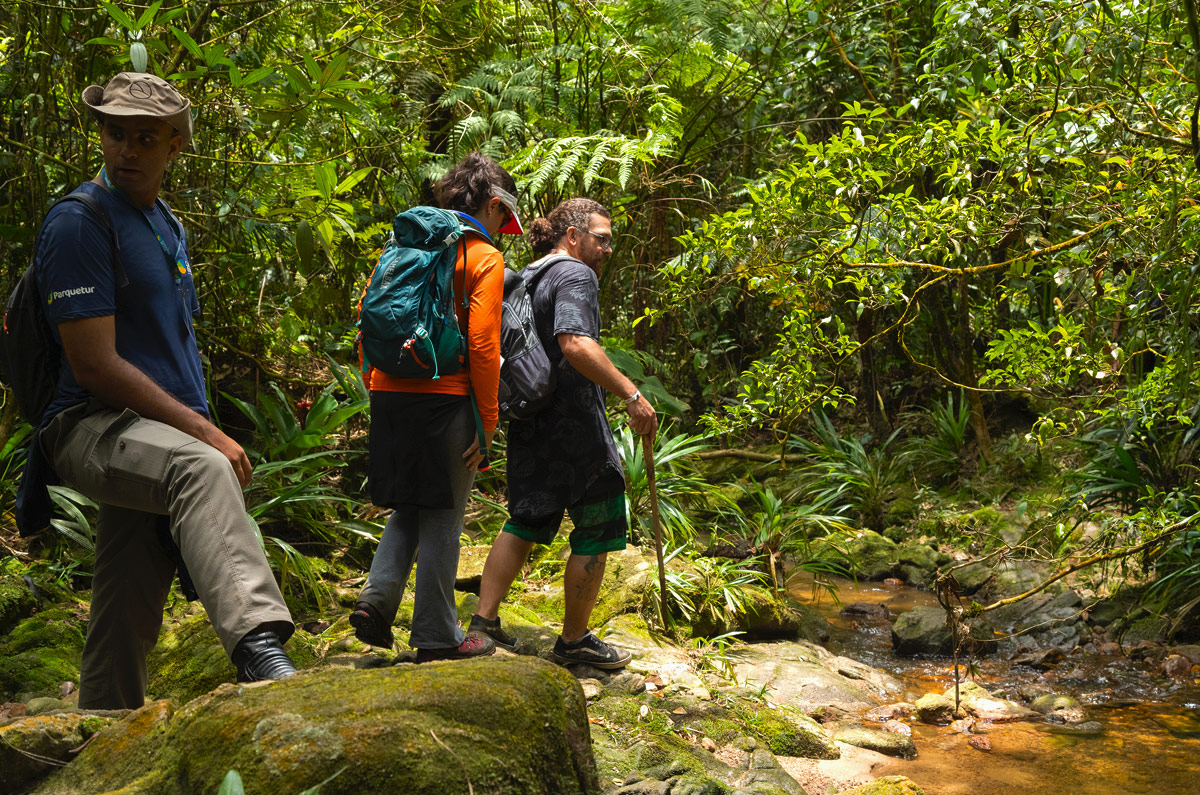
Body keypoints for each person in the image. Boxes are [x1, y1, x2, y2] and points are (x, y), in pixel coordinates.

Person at [33, 73, 296, 710]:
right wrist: (208, 433)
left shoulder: (163, 223)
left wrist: (193, 420)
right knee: (201, 470)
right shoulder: (79, 223)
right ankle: (261, 647)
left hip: (151, 432)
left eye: (144, 138)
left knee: (127, 594)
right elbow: (94, 365)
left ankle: (99, 728)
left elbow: (170, 346)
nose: (125, 148)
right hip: (90, 425)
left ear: (175, 147)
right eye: (114, 133)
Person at [469, 198, 657, 669]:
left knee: (528, 518)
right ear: (572, 236)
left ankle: (483, 622)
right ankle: (573, 641)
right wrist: (632, 395)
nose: (607, 248)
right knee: (601, 518)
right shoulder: (575, 274)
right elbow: (575, 343)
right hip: (573, 422)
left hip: (529, 417)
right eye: (602, 237)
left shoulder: (528, 273)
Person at [349, 153, 520, 661]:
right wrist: (486, 423)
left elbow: (366, 322)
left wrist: (376, 387)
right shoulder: (483, 256)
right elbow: (485, 346)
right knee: (445, 516)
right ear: (492, 206)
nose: (502, 232)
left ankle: (376, 602)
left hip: (388, 393)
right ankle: (438, 635)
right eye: (501, 220)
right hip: (446, 401)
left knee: (410, 504)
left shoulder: (403, 245)